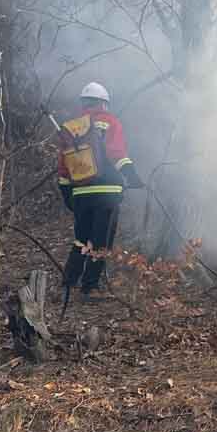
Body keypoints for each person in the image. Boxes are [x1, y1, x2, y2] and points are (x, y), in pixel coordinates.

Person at [56, 82, 142, 301]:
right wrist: (132, 175)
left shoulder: (72, 127)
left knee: (81, 238)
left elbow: (64, 167)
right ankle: (89, 288)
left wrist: (68, 195)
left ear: (84, 103)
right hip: (107, 191)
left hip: (80, 192)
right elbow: (116, 153)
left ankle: (68, 282)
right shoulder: (109, 121)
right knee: (101, 240)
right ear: (104, 103)